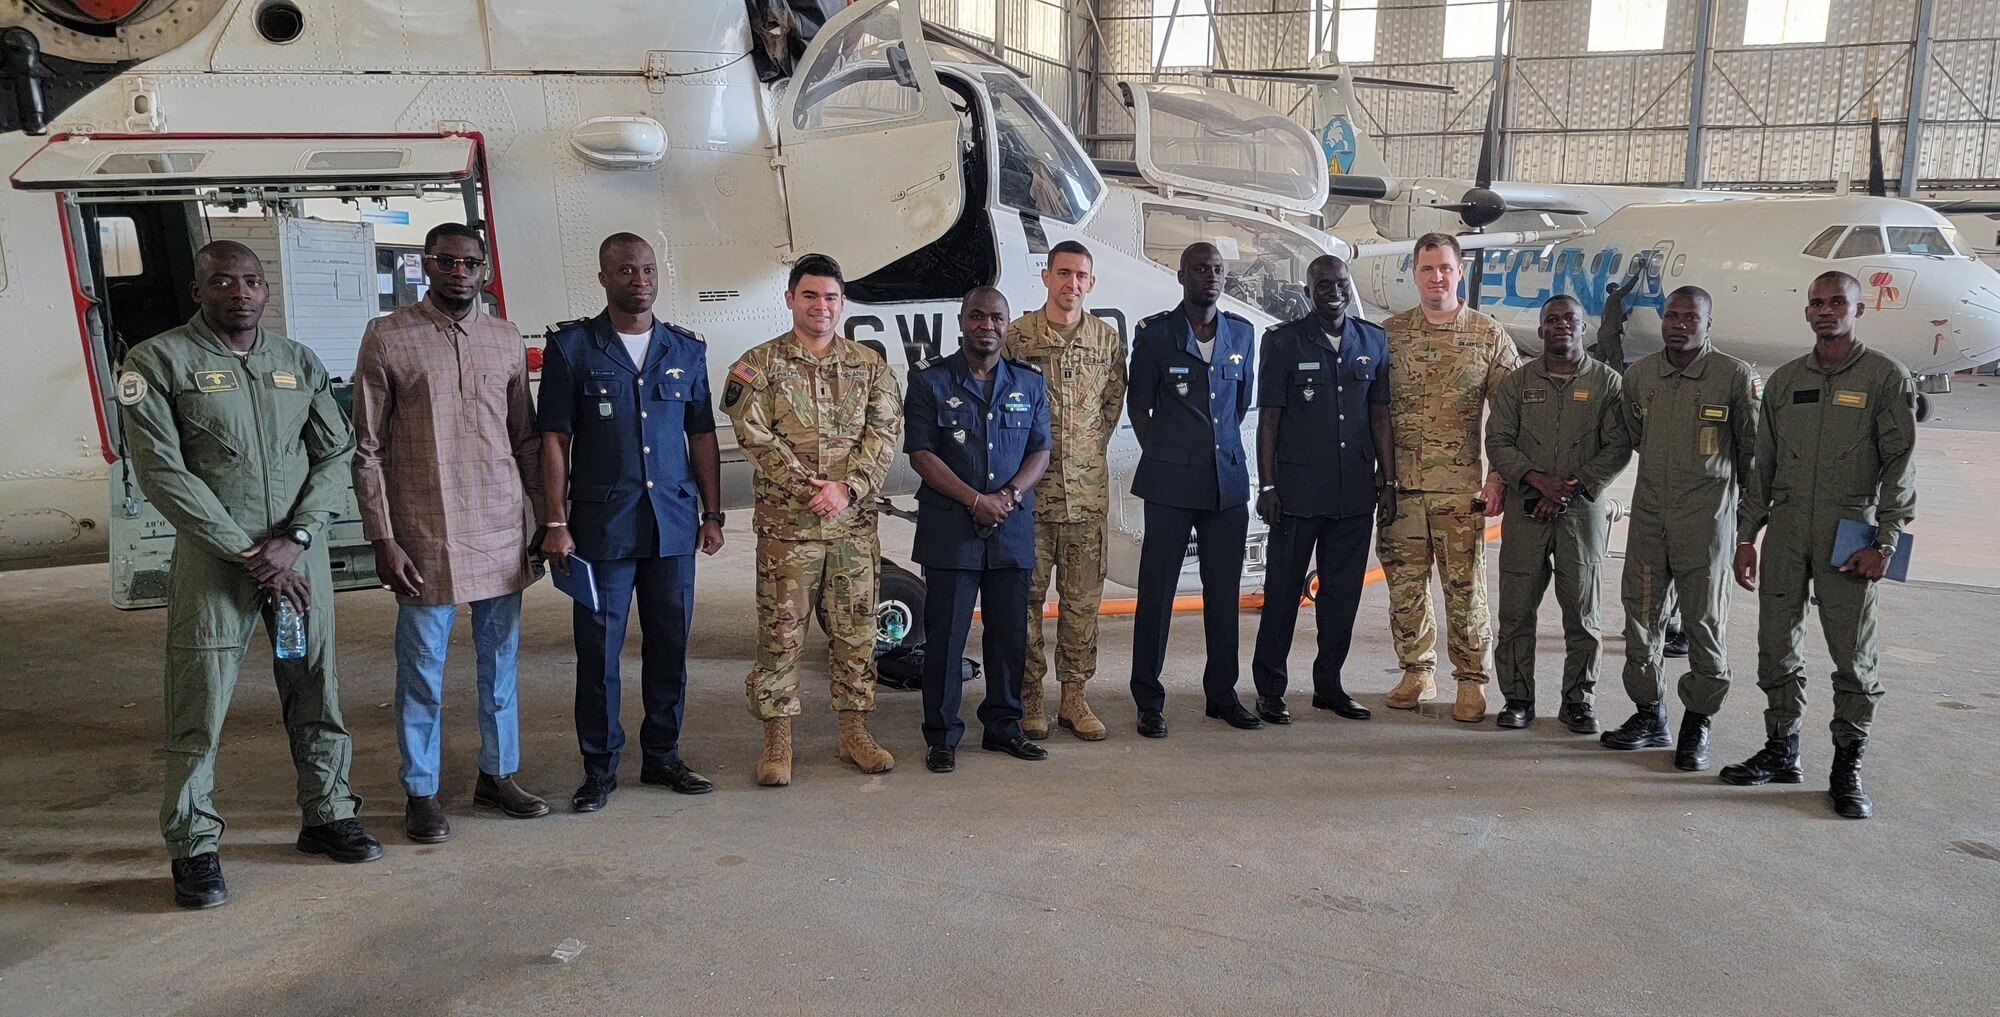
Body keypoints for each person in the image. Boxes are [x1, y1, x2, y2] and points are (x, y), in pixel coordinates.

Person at [118, 241, 379, 909]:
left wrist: (296, 538)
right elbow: (162, 472)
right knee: (199, 702)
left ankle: (327, 813)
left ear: (266, 289)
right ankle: (193, 844)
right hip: (217, 564)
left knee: (314, 684)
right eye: (223, 281)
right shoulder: (157, 362)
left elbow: (335, 452)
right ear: (198, 290)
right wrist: (247, 552)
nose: (240, 292)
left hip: (297, 563)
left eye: (252, 281)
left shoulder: (296, 362)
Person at [351, 222, 549, 842]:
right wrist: (382, 537)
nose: (458, 272)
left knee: (501, 662)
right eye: (445, 261)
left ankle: (499, 774)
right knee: (421, 669)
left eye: (469, 262)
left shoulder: (505, 338)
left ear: (484, 270)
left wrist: (546, 520)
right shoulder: (388, 335)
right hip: (424, 532)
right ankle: (421, 791)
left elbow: (525, 440)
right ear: (426, 265)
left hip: (499, 525)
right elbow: (367, 449)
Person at [537, 234, 725, 812]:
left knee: (670, 646)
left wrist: (712, 514)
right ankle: (599, 768)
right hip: (602, 529)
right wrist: (555, 521)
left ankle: (663, 755)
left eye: (647, 270)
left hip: (672, 526)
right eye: (625, 271)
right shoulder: (572, 348)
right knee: (599, 653)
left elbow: (702, 436)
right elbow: (555, 440)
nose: (639, 280)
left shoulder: (685, 349)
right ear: (603, 278)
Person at [1728, 271, 1917, 819]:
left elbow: (1900, 465)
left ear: (1859, 310)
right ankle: (1781, 749)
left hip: (1850, 534)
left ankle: (1846, 765)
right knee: (1776, 647)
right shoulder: (1785, 381)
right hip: (1787, 530)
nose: (1826, 311)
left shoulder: (1885, 377)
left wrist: (1887, 542)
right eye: (1817, 303)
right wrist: (1747, 536)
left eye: (1838, 302)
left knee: (1853, 655)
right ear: (1807, 311)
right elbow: (1762, 466)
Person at [725, 253, 902, 786]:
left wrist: (848, 489)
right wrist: (812, 489)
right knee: (781, 636)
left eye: (830, 296)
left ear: (842, 303)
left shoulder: (870, 366)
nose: (820, 305)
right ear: (790, 299)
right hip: (788, 533)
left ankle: (855, 734)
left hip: (852, 530)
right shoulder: (758, 366)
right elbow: (754, 437)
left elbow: (884, 434)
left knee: (856, 633)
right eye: (809, 295)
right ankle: (778, 743)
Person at [1600, 286, 1758, 771]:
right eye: (1672, 315)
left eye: (1691, 317)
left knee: (1703, 624)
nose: (1679, 324)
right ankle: (1649, 713)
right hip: (1650, 521)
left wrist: (1748, 531)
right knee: (1640, 619)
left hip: (1705, 526)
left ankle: (1698, 721)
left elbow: (1752, 455)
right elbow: (1633, 437)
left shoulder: (1732, 376)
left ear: (1708, 323)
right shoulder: (1641, 376)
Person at [905, 287, 1053, 772]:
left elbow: (1040, 450)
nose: (986, 325)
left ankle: (1004, 727)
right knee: (946, 638)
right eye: (976, 316)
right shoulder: (928, 380)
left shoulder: (1029, 382)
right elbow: (922, 454)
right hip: (951, 530)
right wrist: (975, 500)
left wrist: (1007, 496)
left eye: (996, 317)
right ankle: (941, 736)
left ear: (1007, 324)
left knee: (1009, 635)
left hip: (1011, 527)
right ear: (961, 321)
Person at [1377, 233, 1522, 722]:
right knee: (1405, 588)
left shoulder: (1487, 334)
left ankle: (1471, 679)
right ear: (1414, 273)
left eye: (1444, 268)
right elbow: (1370, 411)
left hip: (1460, 490)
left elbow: (1509, 416)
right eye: (1426, 268)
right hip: (1399, 488)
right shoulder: (1390, 334)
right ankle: (1416, 670)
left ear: (1460, 271)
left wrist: (1498, 478)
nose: (1436, 277)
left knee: (1465, 590)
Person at [1248, 254, 1393, 725]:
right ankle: (1270, 689)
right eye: (1324, 284)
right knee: (1283, 593)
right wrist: (1267, 484)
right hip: (1296, 494)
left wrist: (1388, 481)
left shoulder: (1373, 340)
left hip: (1353, 493)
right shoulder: (1283, 342)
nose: (1334, 291)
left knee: (1342, 597)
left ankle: (1329, 686)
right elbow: (1269, 419)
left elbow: (1380, 415)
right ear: (1308, 291)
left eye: (1341, 283)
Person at [1126, 242, 1259, 737]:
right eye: (1200, 269)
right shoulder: (1156, 335)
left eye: (1218, 269)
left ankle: (1222, 695)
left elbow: (1239, 405)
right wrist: (1167, 453)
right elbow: (1139, 405)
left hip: (1226, 481)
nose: (1211, 276)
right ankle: (1148, 700)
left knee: (1223, 593)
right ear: (1181, 276)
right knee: (1157, 592)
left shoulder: (1241, 333)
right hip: (1170, 483)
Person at [1484, 295, 1632, 732]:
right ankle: (1517, 699)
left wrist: (1569, 487)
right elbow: (1498, 441)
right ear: (1541, 330)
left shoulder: (1608, 383)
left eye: (1570, 319)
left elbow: (1618, 446)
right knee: (1516, 612)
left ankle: (1578, 702)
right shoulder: (1517, 383)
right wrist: (1536, 479)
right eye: (1552, 320)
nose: (1561, 325)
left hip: (1582, 515)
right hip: (1526, 510)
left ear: (1584, 328)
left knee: (1584, 615)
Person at [1003, 240, 1126, 741]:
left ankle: (1074, 696)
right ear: (1046, 277)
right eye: (1063, 273)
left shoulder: (1106, 341)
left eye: (1080, 275)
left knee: (1082, 605)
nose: (1071, 283)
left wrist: (1082, 456)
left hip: (1086, 500)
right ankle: (1030, 696)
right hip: (1030, 501)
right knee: (1025, 604)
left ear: (1091, 283)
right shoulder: (1017, 338)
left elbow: (1110, 408)